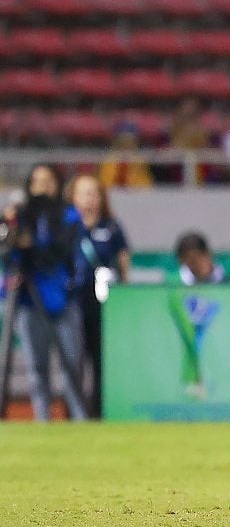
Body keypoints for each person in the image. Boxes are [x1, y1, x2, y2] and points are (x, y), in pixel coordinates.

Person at [2, 164, 89, 421]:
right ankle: (43, 419)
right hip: (29, 300)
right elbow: (8, 256)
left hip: (62, 298)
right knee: (36, 367)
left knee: (71, 365)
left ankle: (78, 418)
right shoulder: (19, 215)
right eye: (37, 181)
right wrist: (11, 230)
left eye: (48, 180)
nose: (42, 186)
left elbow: (60, 253)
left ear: (58, 184)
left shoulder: (68, 216)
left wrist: (32, 247)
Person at [67, 173, 131, 417]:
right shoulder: (67, 227)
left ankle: (99, 411)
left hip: (104, 305)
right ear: (73, 197)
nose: (89, 199)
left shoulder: (111, 226)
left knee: (101, 359)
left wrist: (123, 287)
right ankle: (75, 413)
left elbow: (123, 258)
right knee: (73, 359)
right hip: (73, 301)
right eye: (84, 193)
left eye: (94, 193)